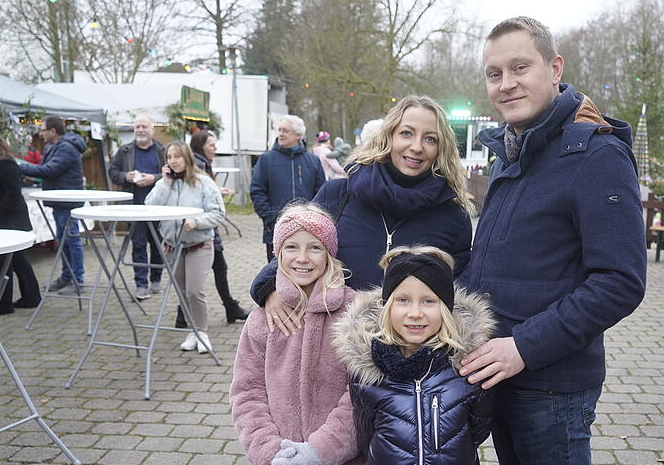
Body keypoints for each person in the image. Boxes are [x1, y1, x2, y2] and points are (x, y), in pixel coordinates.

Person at [458, 16, 646, 465]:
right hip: (502, 375)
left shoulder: (595, 156)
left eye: (520, 67)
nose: (507, 83)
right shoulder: (515, 153)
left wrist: (524, 347)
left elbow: (620, 281)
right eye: (495, 73)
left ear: (554, 69)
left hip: (552, 384)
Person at [332, 246, 495, 465]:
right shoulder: (367, 375)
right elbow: (366, 436)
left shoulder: (467, 371)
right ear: (388, 306)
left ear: (446, 309)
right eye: (403, 300)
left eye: (429, 301)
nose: (415, 313)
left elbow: (477, 429)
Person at [251, 95, 474, 333]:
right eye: (406, 133)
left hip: (413, 358)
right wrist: (272, 288)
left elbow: (460, 290)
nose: (417, 147)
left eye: (430, 139)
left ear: (441, 148)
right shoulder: (338, 194)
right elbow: (294, 247)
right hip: (333, 351)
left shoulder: (453, 215)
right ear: (388, 136)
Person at [230, 204, 362, 465]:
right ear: (277, 254)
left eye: (315, 247)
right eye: (292, 247)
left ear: (330, 253)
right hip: (285, 463)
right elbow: (246, 391)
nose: (303, 258)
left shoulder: (353, 312)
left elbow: (361, 392)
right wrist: (268, 450)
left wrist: (322, 450)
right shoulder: (261, 319)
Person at [144, 141, 225, 353]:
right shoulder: (165, 183)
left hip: (199, 245)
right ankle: (193, 331)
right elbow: (150, 208)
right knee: (181, 293)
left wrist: (196, 221)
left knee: (194, 291)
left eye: (177, 156)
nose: (173, 161)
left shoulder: (203, 182)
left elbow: (218, 213)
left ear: (187, 157)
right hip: (172, 246)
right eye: (169, 157)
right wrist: (164, 183)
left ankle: (202, 332)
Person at [0, 127, 41, 314]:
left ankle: (3, 304)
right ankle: (31, 297)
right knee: (17, 261)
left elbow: (13, 195)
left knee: (3, 264)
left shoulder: (5, 165)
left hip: (8, 224)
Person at [19, 116, 86, 293]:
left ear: (53, 131)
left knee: (72, 240)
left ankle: (77, 281)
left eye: (43, 130)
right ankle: (67, 277)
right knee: (63, 241)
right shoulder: (54, 147)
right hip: (60, 200)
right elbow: (48, 171)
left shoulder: (66, 148)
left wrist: (19, 166)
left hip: (67, 200)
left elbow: (49, 170)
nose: (41, 134)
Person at [189, 130, 250, 323]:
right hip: (202, 228)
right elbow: (196, 196)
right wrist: (216, 192)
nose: (215, 149)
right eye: (211, 145)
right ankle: (230, 308)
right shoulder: (198, 164)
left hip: (203, 226)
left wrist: (216, 191)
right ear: (201, 146)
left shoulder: (201, 163)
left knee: (217, 268)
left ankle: (228, 308)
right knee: (214, 270)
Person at [250, 115, 324, 262]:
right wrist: (271, 220)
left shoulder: (313, 161)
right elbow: (257, 191)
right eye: (279, 130)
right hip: (276, 229)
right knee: (275, 276)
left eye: (285, 130)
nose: (281, 134)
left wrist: (314, 219)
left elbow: (321, 193)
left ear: (298, 135)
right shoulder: (266, 159)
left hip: (308, 230)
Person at [107, 114, 165, 301]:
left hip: (158, 206)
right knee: (138, 245)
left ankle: (156, 279)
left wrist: (153, 178)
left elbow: (171, 173)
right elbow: (113, 172)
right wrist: (126, 176)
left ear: (152, 129)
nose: (140, 130)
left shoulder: (162, 151)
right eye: (137, 127)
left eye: (144, 127)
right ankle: (141, 284)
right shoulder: (124, 151)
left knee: (157, 244)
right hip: (134, 206)